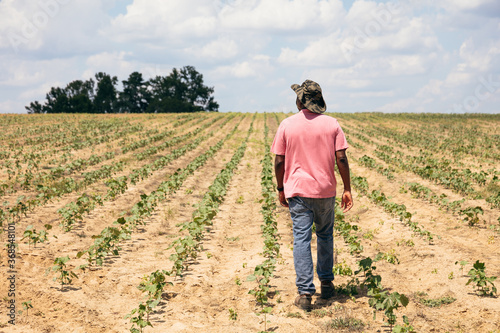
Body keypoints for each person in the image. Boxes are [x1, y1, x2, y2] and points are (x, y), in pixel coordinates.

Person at [270, 79, 353, 311]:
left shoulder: (287, 125)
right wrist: (347, 188)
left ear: (300, 101)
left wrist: (280, 188)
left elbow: (279, 161)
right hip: (325, 191)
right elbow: (342, 158)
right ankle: (326, 284)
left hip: (297, 191)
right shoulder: (332, 124)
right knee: (325, 236)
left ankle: (305, 293)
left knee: (302, 239)